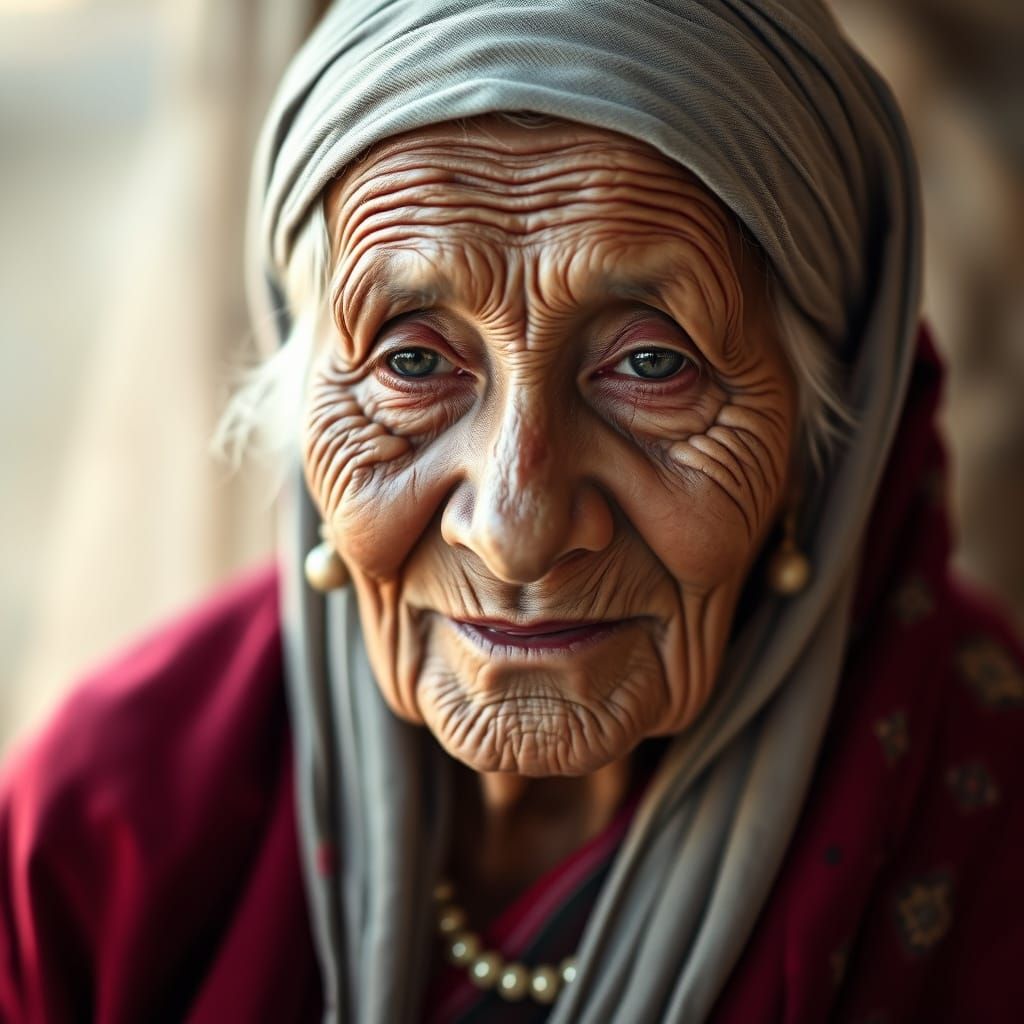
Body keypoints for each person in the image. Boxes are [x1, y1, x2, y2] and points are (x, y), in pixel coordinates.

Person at [2, 1, 1022, 1022]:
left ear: (823, 437)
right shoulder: (106, 825)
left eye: (652, 364)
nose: (514, 527)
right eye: (411, 361)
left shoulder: (989, 836)